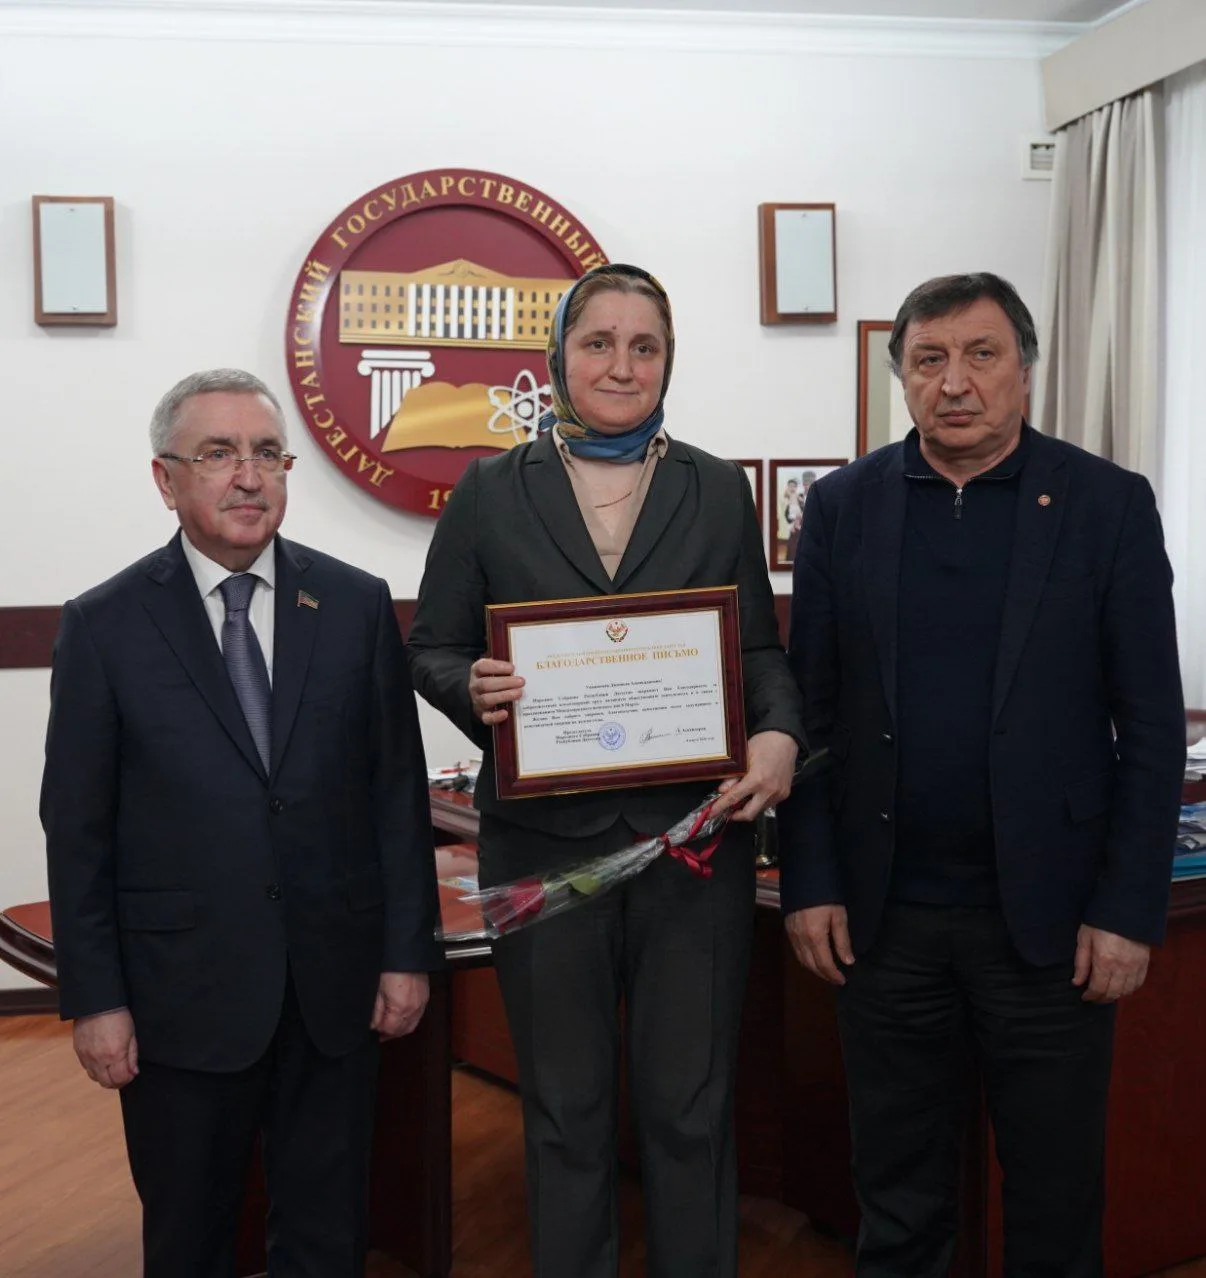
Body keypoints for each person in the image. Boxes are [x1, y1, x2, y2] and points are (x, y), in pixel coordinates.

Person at [778, 272, 1186, 1277]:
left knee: (1054, 1199)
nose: (954, 382)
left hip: (1051, 927)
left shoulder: (1106, 505)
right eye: (929, 360)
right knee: (898, 1198)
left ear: (1025, 372)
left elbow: (1150, 725)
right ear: (903, 377)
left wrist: (1127, 909)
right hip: (884, 924)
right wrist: (810, 879)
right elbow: (809, 715)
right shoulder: (842, 507)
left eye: (981, 355)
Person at [408, 263, 805, 1278]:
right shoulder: (490, 491)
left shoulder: (715, 488)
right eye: (599, 343)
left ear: (668, 361)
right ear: (558, 359)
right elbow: (434, 647)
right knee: (564, 1109)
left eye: (645, 346)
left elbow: (758, 652)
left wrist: (779, 734)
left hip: (694, 851)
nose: (622, 365)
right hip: (542, 852)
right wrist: (472, 688)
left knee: (690, 1108)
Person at [41, 369, 443, 1278]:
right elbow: (78, 831)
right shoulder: (103, 625)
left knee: (328, 1237)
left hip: (334, 992)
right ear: (166, 479)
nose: (249, 476)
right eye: (218, 454)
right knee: (189, 1237)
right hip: (180, 999)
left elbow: (395, 794)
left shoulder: (354, 604)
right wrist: (96, 1000)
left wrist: (405, 953)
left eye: (267, 453)